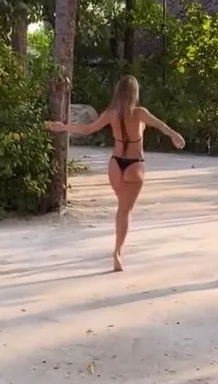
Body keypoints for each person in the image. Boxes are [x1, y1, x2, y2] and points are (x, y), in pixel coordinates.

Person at [47, 76, 185, 271]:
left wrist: (64, 127)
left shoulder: (110, 114)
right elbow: (161, 125)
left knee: (122, 208)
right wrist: (175, 135)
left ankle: (118, 247)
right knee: (125, 210)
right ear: (135, 93)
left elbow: (87, 129)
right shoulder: (140, 113)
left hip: (115, 165)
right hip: (134, 165)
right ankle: (118, 252)